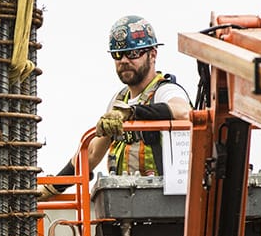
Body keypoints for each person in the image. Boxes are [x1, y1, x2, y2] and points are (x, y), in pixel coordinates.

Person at [38, 15, 192, 200]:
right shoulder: (119, 100)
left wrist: (134, 113)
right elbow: (92, 153)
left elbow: (184, 112)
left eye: (133, 53)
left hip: (164, 205)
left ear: (153, 54)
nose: (124, 60)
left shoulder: (165, 91)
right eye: (118, 54)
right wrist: (53, 187)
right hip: (126, 205)